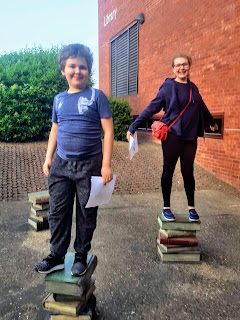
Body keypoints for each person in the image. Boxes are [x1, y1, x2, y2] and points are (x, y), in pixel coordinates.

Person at [34, 44, 114, 276]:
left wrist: (106, 164)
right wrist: (48, 157)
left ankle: (80, 255)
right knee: (58, 211)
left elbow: (108, 132)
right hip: (61, 165)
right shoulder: (58, 100)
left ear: (89, 71)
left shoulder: (97, 96)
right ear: (63, 70)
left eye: (83, 67)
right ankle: (56, 255)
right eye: (72, 66)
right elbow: (55, 130)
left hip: (90, 165)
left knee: (86, 213)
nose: (77, 71)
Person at [127, 53, 218, 222]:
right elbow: (151, 107)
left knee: (188, 172)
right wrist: (134, 126)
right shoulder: (168, 87)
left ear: (189, 66)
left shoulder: (193, 88)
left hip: (190, 138)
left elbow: (202, 107)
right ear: (173, 69)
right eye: (178, 65)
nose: (182, 68)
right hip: (172, 136)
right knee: (168, 171)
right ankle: (166, 207)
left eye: (185, 64)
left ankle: (191, 208)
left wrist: (211, 121)